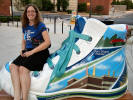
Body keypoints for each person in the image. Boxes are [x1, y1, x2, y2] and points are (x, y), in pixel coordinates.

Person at [9, 4, 51, 100]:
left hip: (40, 52)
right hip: (28, 51)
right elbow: (24, 40)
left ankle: (25, 98)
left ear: (36, 13)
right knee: (13, 66)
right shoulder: (25, 26)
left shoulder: (40, 25)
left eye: (33, 11)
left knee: (23, 69)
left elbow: (48, 42)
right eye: (28, 11)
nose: (30, 13)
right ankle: (17, 97)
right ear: (25, 14)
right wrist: (22, 49)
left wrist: (31, 52)